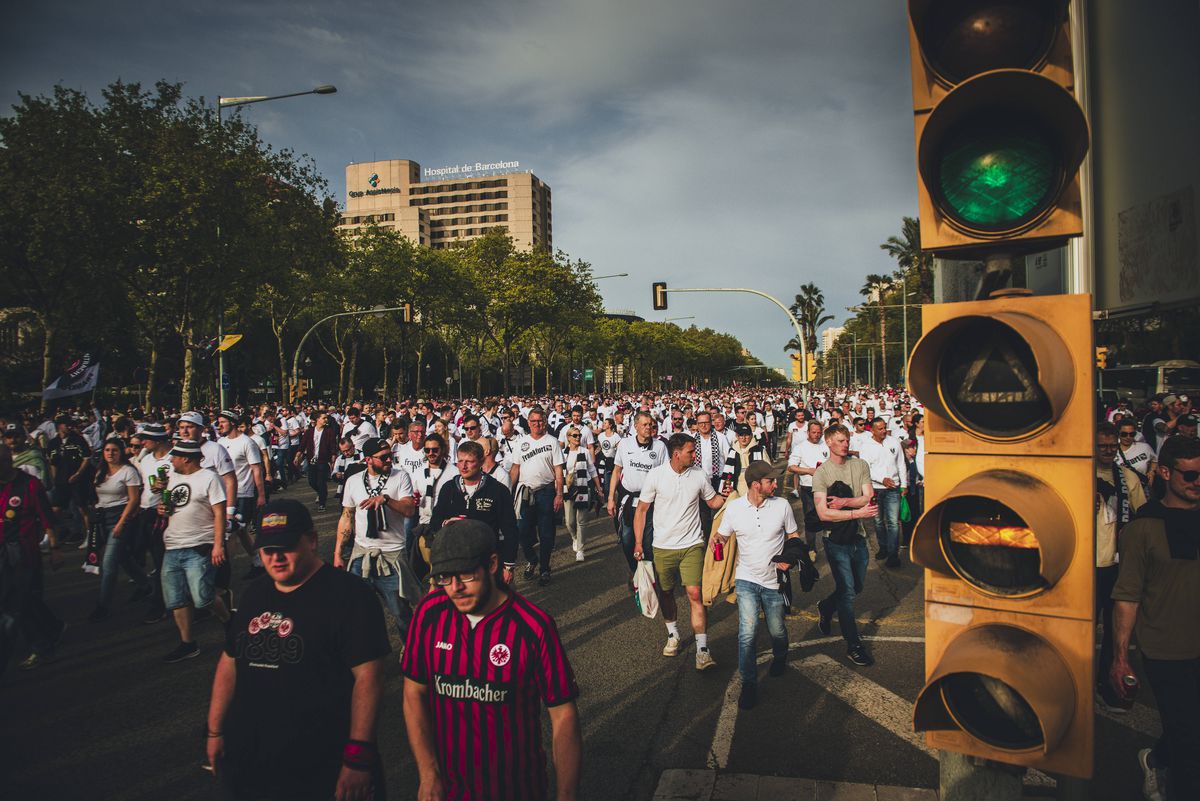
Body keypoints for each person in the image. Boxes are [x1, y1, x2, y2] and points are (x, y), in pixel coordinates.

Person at [206, 498, 391, 801]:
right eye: (267, 549)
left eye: (287, 546)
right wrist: (215, 731)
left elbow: (369, 678)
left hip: (322, 762)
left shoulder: (350, 595)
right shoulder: (255, 593)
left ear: (313, 541)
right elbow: (230, 660)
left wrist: (358, 756)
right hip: (254, 758)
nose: (276, 558)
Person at [401, 519, 581, 801]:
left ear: (493, 564)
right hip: (449, 789)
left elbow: (563, 715)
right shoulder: (429, 613)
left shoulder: (533, 627)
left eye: (466, 574)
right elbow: (414, 692)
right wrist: (428, 772)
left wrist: (566, 796)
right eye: (445, 577)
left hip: (515, 789)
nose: (455, 587)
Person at [1111, 435, 1200, 801]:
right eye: (1189, 476)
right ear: (1165, 472)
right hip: (1165, 650)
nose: (1197, 483)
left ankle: (1156, 759)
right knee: (1190, 741)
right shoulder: (1143, 529)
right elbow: (1127, 596)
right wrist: (1119, 658)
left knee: (1188, 729)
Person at [634, 433, 727, 670]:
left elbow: (712, 501)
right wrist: (638, 543)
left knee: (695, 594)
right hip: (662, 546)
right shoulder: (656, 475)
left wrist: (731, 496)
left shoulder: (698, 474)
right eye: (690, 452)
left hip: (692, 545)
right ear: (677, 454)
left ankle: (702, 649)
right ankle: (673, 634)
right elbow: (642, 510)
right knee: (666, 593)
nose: (695, 456)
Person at [715, 460, 801, 709]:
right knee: (747, 633)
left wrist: (790, 559)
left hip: (774, 581)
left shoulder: (782, 505)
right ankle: (749, 685)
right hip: (746, 579)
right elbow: (723, 533)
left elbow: (793, 536)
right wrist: (717, 540)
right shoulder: (735, 509)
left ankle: (780, 656)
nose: (775, 484)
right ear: (755, 485)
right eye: (770, 481)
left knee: (777, 631)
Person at [336, 437, 418, 646]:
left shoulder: (400, 477)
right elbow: (347, 516)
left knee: (400, 612)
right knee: (355, 610)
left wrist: (387, 500)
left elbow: (409, 510)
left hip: (391, 555)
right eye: (383, 457)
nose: (389, 460)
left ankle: (412, 653)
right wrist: (338, 553)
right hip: (361, 554)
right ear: (368, 460)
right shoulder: (353, 481)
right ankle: (363, 653)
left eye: (390, 455)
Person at [156, 439, 231, 663]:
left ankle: (228, 620)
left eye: (174, 456)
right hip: (172, 545)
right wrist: (162, 508)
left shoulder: (209, 478)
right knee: (176, 599)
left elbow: (219, 513)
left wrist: (218, 544)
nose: (170, 460)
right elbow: (171, 507)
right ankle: (187, 643)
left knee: (203, 599)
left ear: (186, 458)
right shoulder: (172, 478)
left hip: (199, 545)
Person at [813, 424, 878, 667]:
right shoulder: (822, 473)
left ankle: (826, 606)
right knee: (848, 592)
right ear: (828, 443)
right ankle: (854, 645)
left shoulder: (859, 465)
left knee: (856, 586)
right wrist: (856, 511)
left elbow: (868, 496)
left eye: (846, 439)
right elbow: (823, 513)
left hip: (858, 537)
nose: (845, 444)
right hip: (835, 540)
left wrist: (844, 502)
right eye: (840, 440)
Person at [1094, 421, 1147, 713]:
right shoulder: (1078, 476)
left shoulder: (1128, 478)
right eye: (1101, 446)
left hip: (1116, 566)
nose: (1106, 451)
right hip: (1085, 566)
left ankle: (1108, 684)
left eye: (1111, 446)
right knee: (1082, 633)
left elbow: (1143, 517)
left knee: (1116, 635)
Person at [0, 443, 65, 672]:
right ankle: (53, 628)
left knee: (19, 603)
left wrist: (55, 548)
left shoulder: (29, 484)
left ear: (8, 461)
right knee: (21, 601)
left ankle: (42, 648)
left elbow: (46, 517)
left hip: (23, 553)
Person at [430, 440, 519, 583]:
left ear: (481, 462)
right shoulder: (449, 488)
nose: (463, 466)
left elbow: (510, 530)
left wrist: (508, 566)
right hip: (455, 559)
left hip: (486, 559)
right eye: (460, 461)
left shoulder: (497, 490)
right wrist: (446, 523)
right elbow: (434, 522)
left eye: (469, 461)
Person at [88, 438, 150, 621]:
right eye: (107, 450)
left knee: (108, 564)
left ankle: (103, 605)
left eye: (114, 450)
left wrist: (121, 522)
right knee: (123, 557)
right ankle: (146, 584)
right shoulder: (101, 471)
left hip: (120, 516)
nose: (110, 453)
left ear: (121, 452)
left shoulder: (128, 471)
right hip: (101, 517)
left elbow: (133, 500)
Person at [508, 406, 565, 586]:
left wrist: (559, 494)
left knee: (547, 534)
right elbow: (515, 468)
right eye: (533, 421)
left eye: (539, 421)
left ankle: (545, 568)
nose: (536, 424)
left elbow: (558, 470)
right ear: (529, 423)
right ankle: (532, 559)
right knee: (522, 531)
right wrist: (508, 493)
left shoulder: (552, 441)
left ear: (545, 422)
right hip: (525, 492)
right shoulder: (521, 442)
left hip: (546, 491)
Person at [608, 412, 668, 575]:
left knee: (647, 543)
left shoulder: (660, 447)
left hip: (649, 502)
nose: (649, 428)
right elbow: (616, 470)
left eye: (651, 425)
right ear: (636, 426)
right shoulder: (625, 444)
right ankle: (634, 571)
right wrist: (611, 498)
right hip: (628, 501)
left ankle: (647, 577)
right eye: (645, 424)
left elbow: (665, 475)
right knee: (627, 540)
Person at [857, 417, 906, 568]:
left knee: (893, 523)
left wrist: (904, 485)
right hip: (875, 489)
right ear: (872, 430)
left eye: (884, 427)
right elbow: (865, 469)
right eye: (880, 429)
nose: (884, 431)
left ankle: (893, 555)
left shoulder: (894, 442)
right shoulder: (866, 446)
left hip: (893, 489)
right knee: (878, 522)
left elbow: (901, 463)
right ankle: (883, 548)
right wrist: (881, 479)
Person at [786, 420, 830, 554]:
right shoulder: (800, 447)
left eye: (819, 432)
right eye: (814, 432)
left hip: (827, 487)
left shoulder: (827, 445)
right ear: (808, 432)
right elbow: (791, 466)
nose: (816, 435)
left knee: (828, 517)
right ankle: (811, 549)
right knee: (811, 519)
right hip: (809, 488)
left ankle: (829, 545)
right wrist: (809, 471)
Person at [562, 426, 602, 562]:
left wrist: (599, 488)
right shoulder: (563, 453)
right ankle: (574, 537)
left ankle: (580, 549)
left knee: (582, 521)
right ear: (568, 438)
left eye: (579, 435)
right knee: (569, 521)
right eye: (574, 435)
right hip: (568, 489)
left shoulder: (584, 451)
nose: (578, 438)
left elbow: (592, 470)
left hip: (584, 487)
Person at [297, 410, 338, 511]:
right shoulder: (309, 432)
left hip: (323, 460)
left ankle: (322, 503)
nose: (326, 420)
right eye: (323, 418)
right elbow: (302, 445)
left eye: (326, 418)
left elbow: (333, 444)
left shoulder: (329, 431)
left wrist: (333, 456)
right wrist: (297, 455)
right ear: (317, 420)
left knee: (321, 481)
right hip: (311, 459)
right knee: (311, 481)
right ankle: (321, 493)